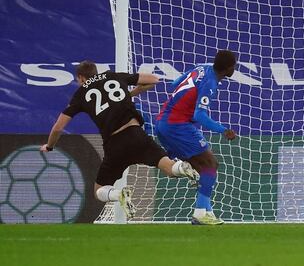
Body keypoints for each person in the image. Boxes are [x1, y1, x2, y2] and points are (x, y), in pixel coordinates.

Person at [40, 61, 199, 219]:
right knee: (170, 169)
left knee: (99, 190)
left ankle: (119, 195)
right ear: (95, 72)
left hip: (114, 144)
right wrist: (130, 93)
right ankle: (182, 167)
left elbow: (58, 127)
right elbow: (153, 80)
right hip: (136, 135)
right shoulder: (113, 76)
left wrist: (49, 146)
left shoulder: (80, 94)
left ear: (81, 78)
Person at [155, 50, 238, 225]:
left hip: (164, 122)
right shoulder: (210, 83)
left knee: (203, 167)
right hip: (177, 125)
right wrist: (223, 130)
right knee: (210, 164)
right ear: (230, 68)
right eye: (234, 65)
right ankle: (200, 212)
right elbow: (199, 115)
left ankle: (205, 210)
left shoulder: (202, 67)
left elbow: (175, 84)